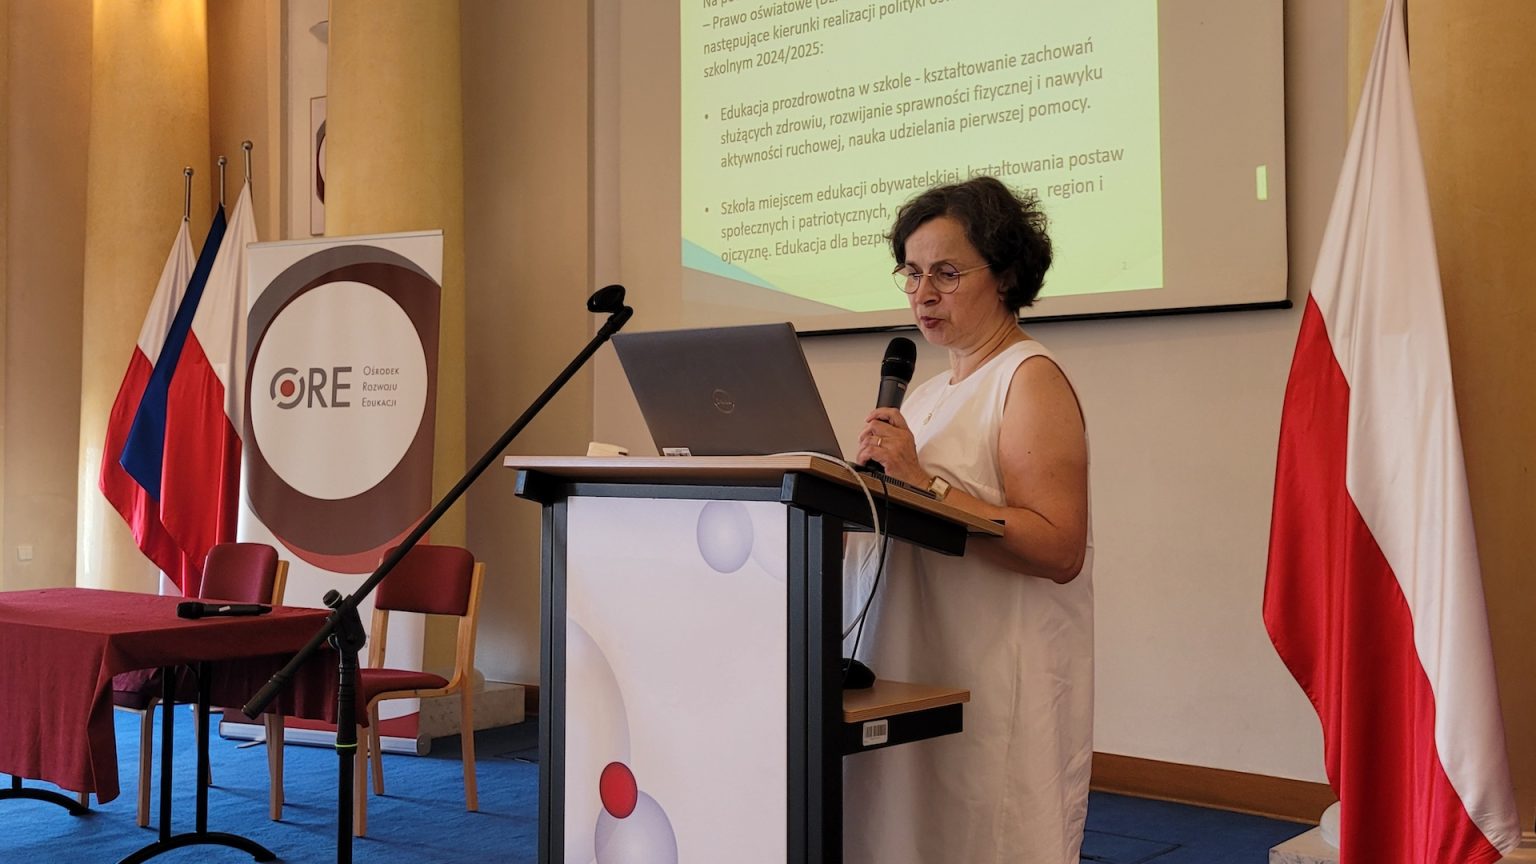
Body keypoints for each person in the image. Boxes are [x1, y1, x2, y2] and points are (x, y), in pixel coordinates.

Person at [842, 175, 1093, 864]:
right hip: (910, 667)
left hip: (991, 680)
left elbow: (1059, 548)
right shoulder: (923, 397)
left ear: (1006, 274)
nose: (923, 293)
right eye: (912, 273)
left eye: (946, 273)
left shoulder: (1027, 378)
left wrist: (923, 485)